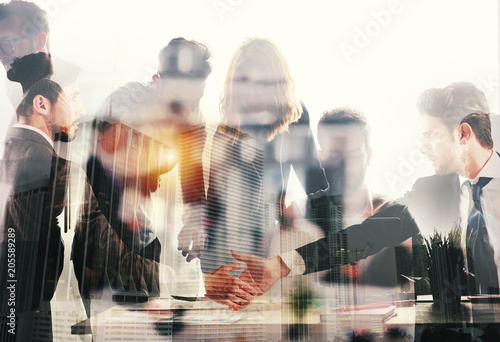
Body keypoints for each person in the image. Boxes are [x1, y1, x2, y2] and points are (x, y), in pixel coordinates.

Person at [0, 52, 163, 341]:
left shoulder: (9, 155)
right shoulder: (59, 172)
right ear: (42, 103)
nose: (82, 109)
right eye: (74, 98)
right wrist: (186, 282)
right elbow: (113, 258)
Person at [81, 38, 211, 310]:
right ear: (157, 83)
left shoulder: (193, 120)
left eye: (195, 100)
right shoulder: (122, 108)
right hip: (98, 218)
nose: (187, 113)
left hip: (142, 225)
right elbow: (92, 184)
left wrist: (195, 221)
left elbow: (192, 177)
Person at [201, 38, 329, 309]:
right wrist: (211, 272)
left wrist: (341, 242)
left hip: (273, 248)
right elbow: (212, 210)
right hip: (233, 252)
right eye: (244, 83)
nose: (252, 93)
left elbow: (314, 182)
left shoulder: (295, 117)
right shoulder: (225, 133)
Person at [400, 82, 490, 238]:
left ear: (464, 133)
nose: (423, 148)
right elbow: (380, 224)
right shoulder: (427, 191)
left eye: (433, 135)